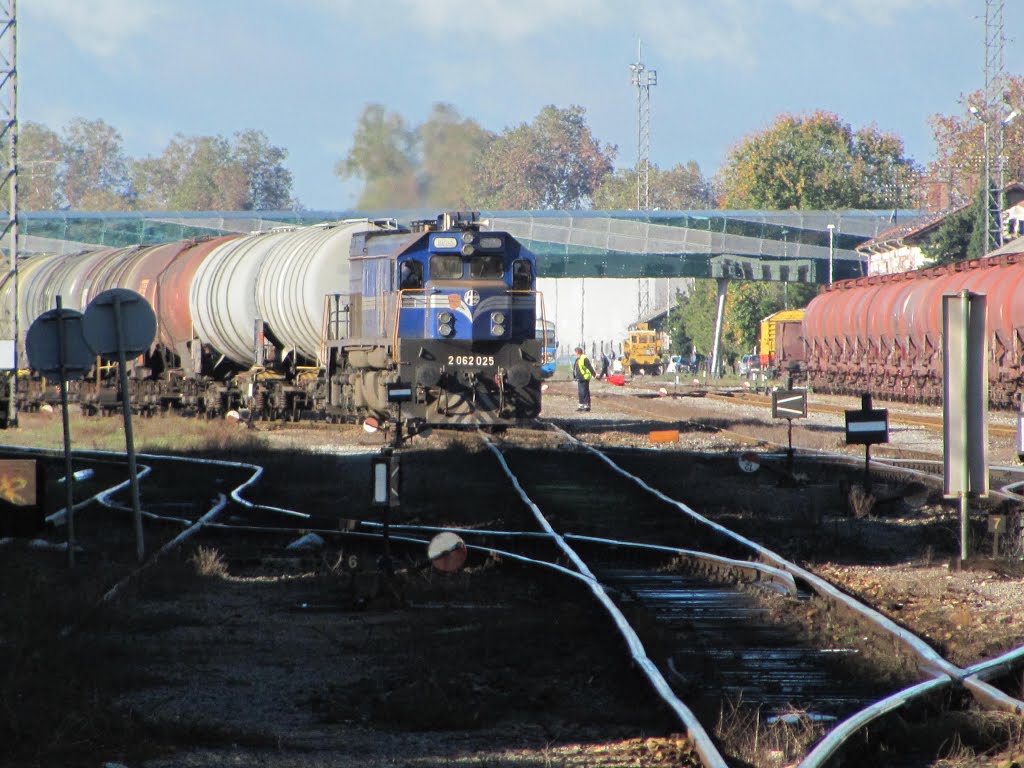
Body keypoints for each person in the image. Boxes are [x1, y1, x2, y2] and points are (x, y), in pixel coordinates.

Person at [572, 346, 596, 411]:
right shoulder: (578, 359)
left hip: (584, 377)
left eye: (575, 352)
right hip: (580, 377)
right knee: (580, 392)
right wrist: (574, 375)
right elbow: (575, 368)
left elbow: (589, 367)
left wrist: (594, 374)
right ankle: (581, 405)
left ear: (578, 352)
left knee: (584, 391)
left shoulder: (584, 358)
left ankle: (586, 405)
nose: (575, 354)